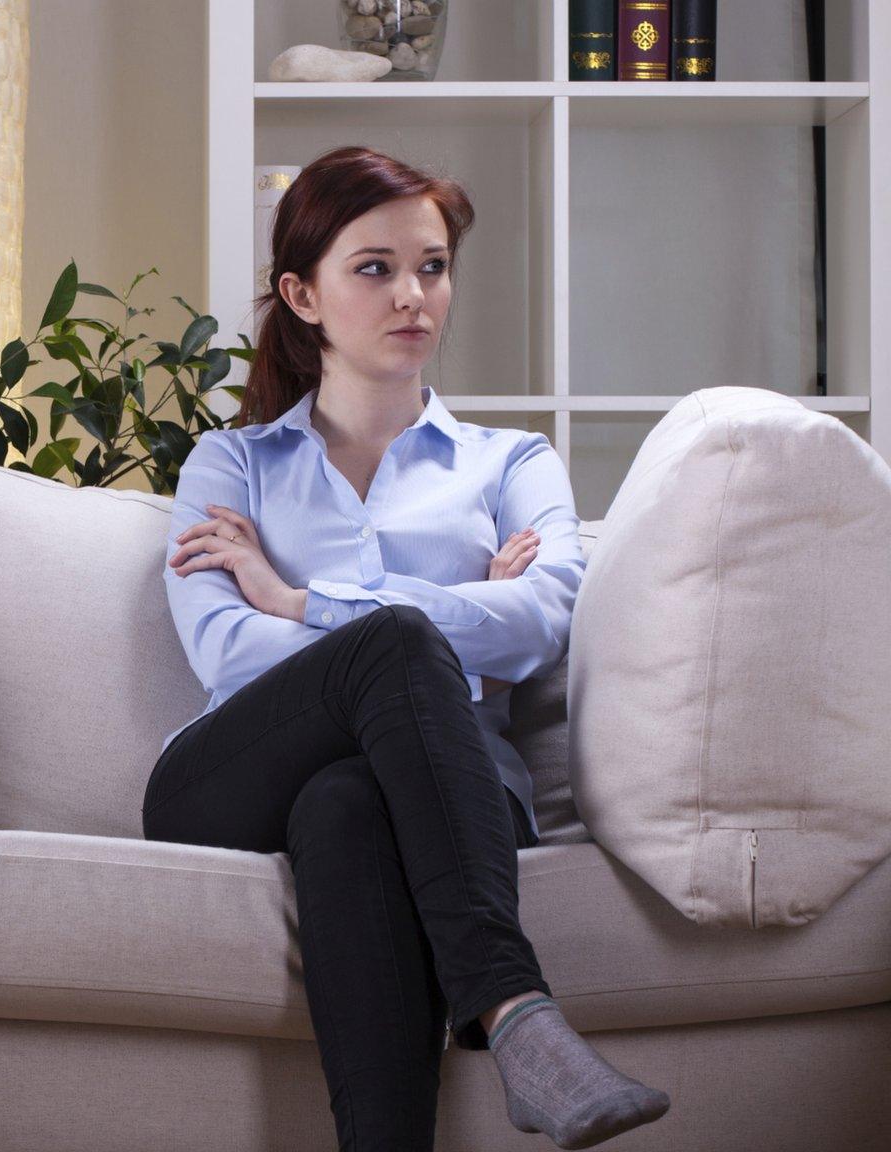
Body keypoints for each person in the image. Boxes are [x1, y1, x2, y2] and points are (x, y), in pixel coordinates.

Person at [141, 146, 667, 1151]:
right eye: (373, 268)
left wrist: (294, 597)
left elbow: (541, 618)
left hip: (456, 795)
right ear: (302, 292)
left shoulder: (510, 462)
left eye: (430, 265)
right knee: (392, 644)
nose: (411, 294)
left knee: (347, 799)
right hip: (225, 784)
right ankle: (514, 1012)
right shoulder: (230, 462)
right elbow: (223, 652)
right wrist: (444, 617)